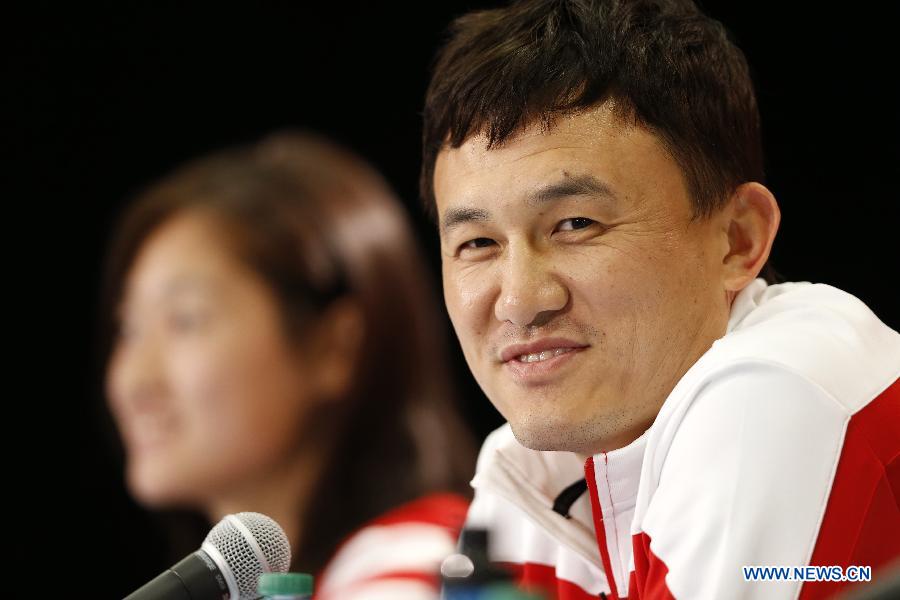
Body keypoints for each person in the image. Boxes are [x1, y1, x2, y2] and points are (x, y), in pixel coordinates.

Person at [419, 1, 900, 598]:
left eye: (575, 224)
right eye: (478, 242)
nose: (519, 300)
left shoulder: (777, 389)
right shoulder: (530, 470)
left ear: (737, 238)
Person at [100, 131, 476, 599]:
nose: (134, 380)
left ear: (332, 345)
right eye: (128, 329)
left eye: (185, 320)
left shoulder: (411, 569)